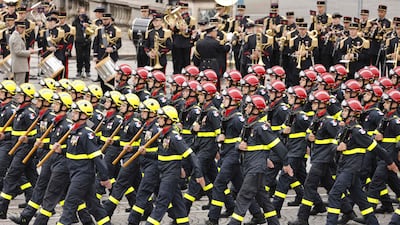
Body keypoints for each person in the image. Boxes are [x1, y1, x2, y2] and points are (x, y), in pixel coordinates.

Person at [325, 98, 398, 225]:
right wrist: (337, 148)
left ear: (353, 113)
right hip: (343, 166)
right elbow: (332, 146)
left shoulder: (357, 131)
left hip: (351, 168)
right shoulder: (344, 128)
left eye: (346, 110)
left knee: (334, 194)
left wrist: (390, 162)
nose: (343, 112)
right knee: (361, 200)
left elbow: (376, 148)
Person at [144, 105, 205, 225]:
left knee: (161, 202)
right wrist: (145, 153)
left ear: (169, 120)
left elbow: (190, 155)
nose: (159, 120)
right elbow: (161, 154)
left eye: (161, 118)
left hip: (170, 174)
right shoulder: (163, 135)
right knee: (178, 204)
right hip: (164, 172)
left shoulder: (174, 137)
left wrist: (198, 174)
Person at [55, 100, 112, 225]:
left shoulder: (87, 134)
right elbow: (75, 150)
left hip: (83, 174)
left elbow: (97, 157)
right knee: (94, 206)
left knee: (70, 204)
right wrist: (62, 150)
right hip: (74, 172)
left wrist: (104, 178)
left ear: (84, 115)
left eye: (76, 112)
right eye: (74, 112)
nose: (73, 115)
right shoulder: (74, 131)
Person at [0, 83, 38, 219]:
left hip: (24, 149)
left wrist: (28, 140)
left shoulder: (29, 114)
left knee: (11, 176)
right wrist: (7, 136)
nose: (18, 97)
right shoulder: (19, 111)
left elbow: (36, 135)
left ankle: (2, 209)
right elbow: (16, 133)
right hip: (17, 147)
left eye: (21, 95)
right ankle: (34, 202)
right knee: (32, 178)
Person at [92, 13, 122, 91]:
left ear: (110, 20)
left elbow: (119, 44)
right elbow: (95, 43)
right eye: (103, 20)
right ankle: (103, 91)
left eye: (106, 20)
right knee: (102, 78)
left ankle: (110, 91)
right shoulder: (99, 30)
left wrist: (112, 49)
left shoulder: (115, 30)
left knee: (110, 76)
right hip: (101, 56)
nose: (104, 21)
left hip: (111, 57)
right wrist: (95, 55)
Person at [72, 7, 92, 78]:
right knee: (79, 56)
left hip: (87, 40)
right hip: (79, 40)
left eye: (83, 12)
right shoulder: (75, 21)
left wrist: (88, 25)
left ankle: (87, 70)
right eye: (80, 12)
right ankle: (79, 70)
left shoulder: (88, 20)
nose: (82, 14)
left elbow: (92, 27)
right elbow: (73, 29)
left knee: (87, 56)